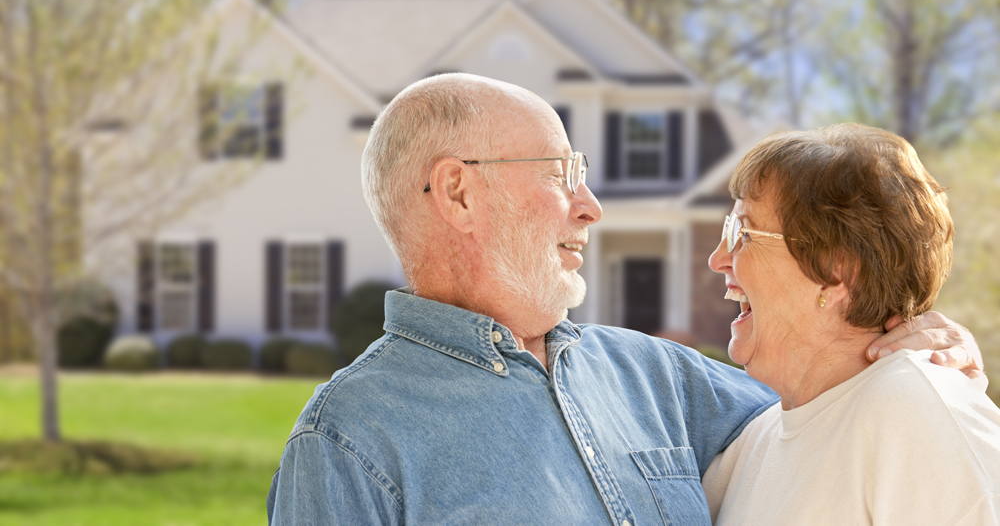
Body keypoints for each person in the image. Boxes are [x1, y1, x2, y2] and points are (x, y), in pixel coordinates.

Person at [266, 74, 983, 526]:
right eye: (561, 172)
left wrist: (912, 333)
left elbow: (830, 404)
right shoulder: (346, 445)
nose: (591, 205)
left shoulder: (657, 377)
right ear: (458, 190)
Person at [701, 124, 1000, 525]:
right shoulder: (752, 444)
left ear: (836, 269)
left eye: (743, 232)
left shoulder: (915, 413)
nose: (718, 258)